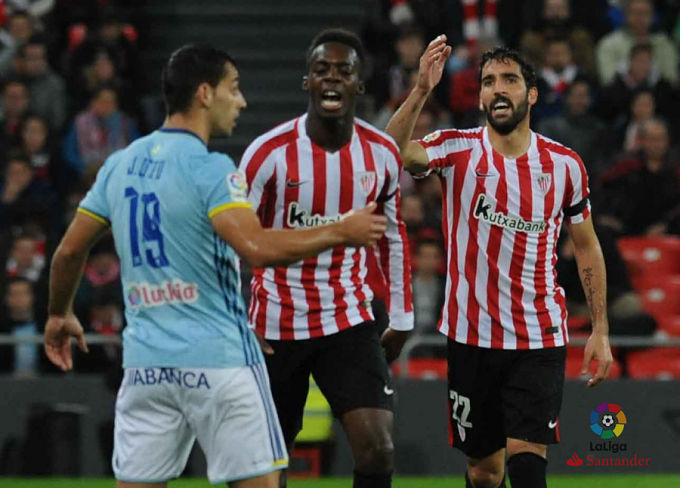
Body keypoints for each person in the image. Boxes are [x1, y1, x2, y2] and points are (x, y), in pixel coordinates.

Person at [42, 43, 388, 488]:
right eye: (234, 88)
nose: (241, 101)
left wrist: (59, 313)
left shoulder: (119, 165)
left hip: (146, 368)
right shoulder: (211, 170)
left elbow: (68, 253)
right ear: (205, 94)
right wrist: (342, 231)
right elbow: (256, 247)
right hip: (220, 363)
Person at [386, 37, 613, 488]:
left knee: (527, 465)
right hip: (471, 337)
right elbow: (388, 155)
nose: (498, 89)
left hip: (539, 336)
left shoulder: (565, 165)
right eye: (488, 82)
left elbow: (587, 246)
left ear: (532, 94)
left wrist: (601, 329)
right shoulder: (456, 149)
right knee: (485, 473)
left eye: (509, 79)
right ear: (480, 98)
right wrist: (421, 90)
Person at [239, 28, 413, 488]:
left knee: (378, 449)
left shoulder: (381, 154)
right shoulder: (267, 155)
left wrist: (401, 316)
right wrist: (238, 318)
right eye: (321, 70)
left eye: (343, 70)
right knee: (265, 466)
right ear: (307, 82)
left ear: (359, 83)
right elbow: (231, 240)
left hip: (347, 317)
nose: (332, 78)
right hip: (275, 322)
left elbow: (392, 236)